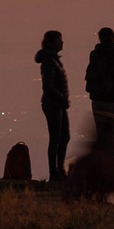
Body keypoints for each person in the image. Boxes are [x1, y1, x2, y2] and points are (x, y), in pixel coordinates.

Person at [84, 27, 114, 146]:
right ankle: (110, 162)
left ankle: (100, 161)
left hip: (97, 99)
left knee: (100, 135)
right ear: (113, 38)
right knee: (112, 137)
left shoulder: (94, 55)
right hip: (112, 99)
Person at [34, 30, 70, 180]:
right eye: (59, 40)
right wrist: (61, 97)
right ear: (52, 42)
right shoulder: (50, 61)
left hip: (57, 104)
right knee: (56, 138)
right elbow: (47, 86)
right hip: (53, 104)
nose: (62, 43)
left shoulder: (52, 60)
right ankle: (55, 172)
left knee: (63, 137)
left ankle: (59, 171)